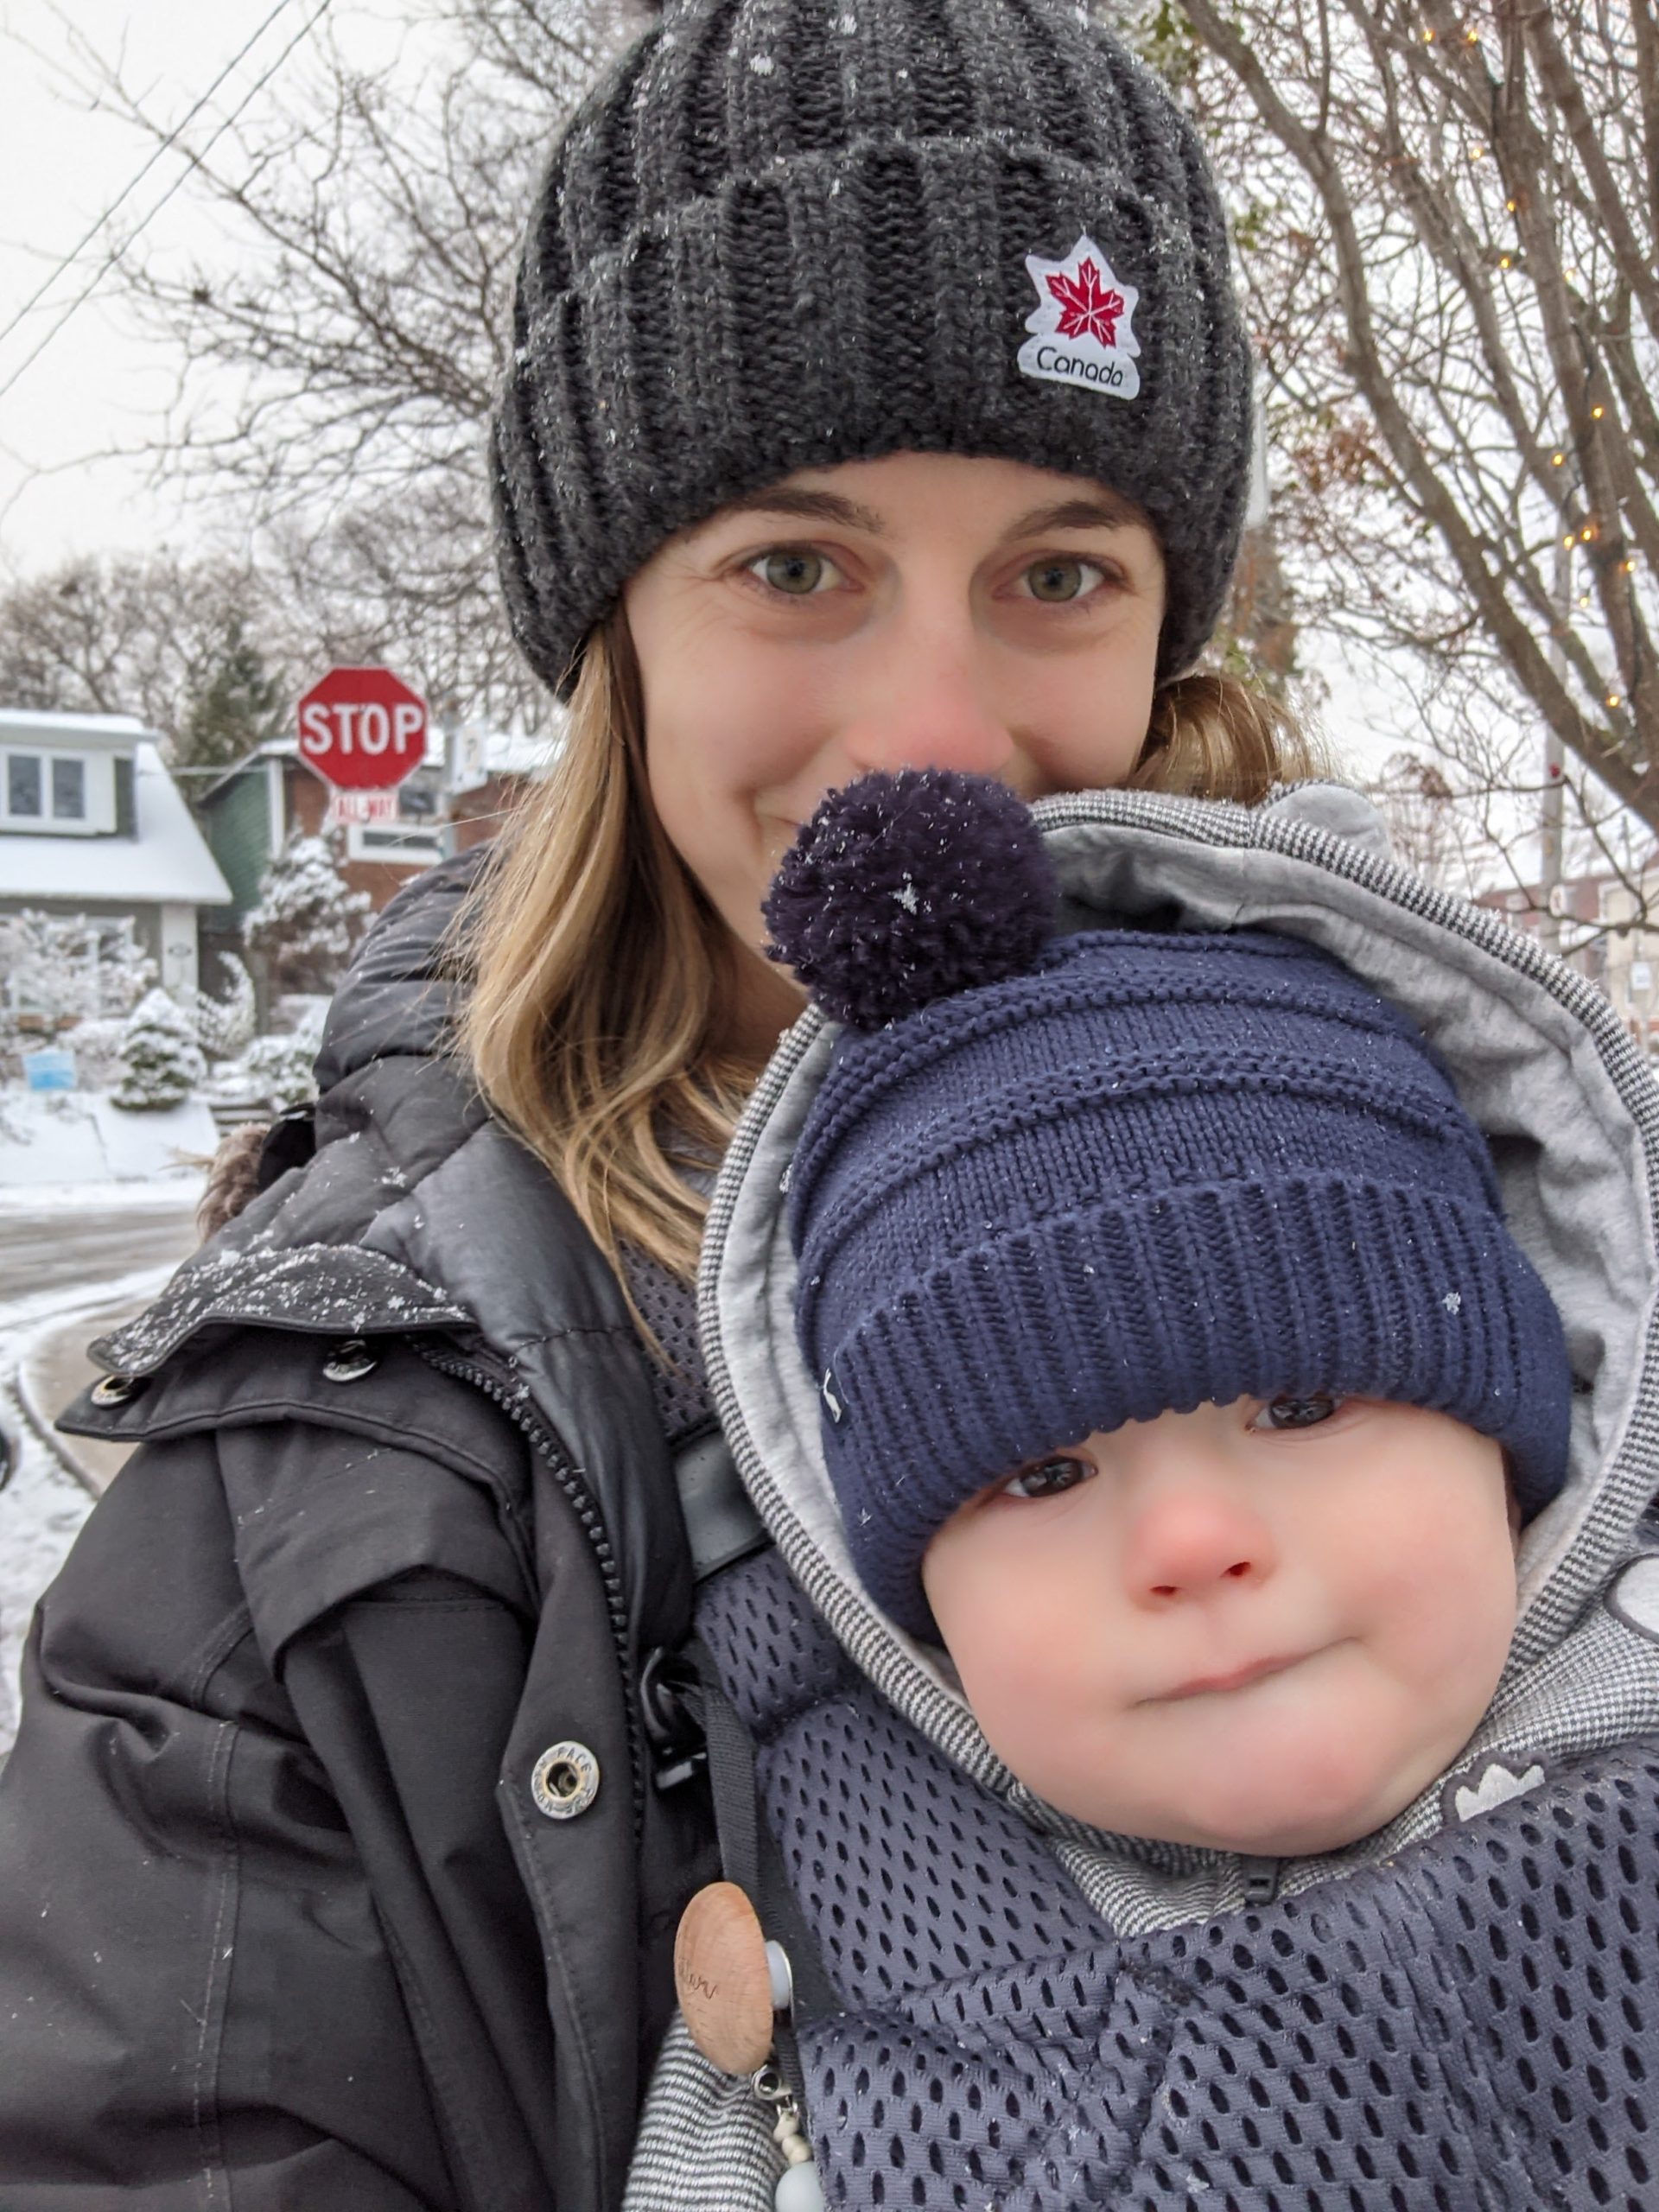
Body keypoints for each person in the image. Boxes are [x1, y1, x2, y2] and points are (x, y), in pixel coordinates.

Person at [0, 2, 1365, 2207]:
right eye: (796, 566)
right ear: (610, 629)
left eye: (1061, 571)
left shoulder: (1462, 1185)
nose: (933, 728)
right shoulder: (331, 1475)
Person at [658, 766, 1659, 2208]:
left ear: (1517, 1439)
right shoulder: (813, 1924)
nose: (1192, 1542)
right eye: (1047, 1471)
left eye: (1304, 1402)